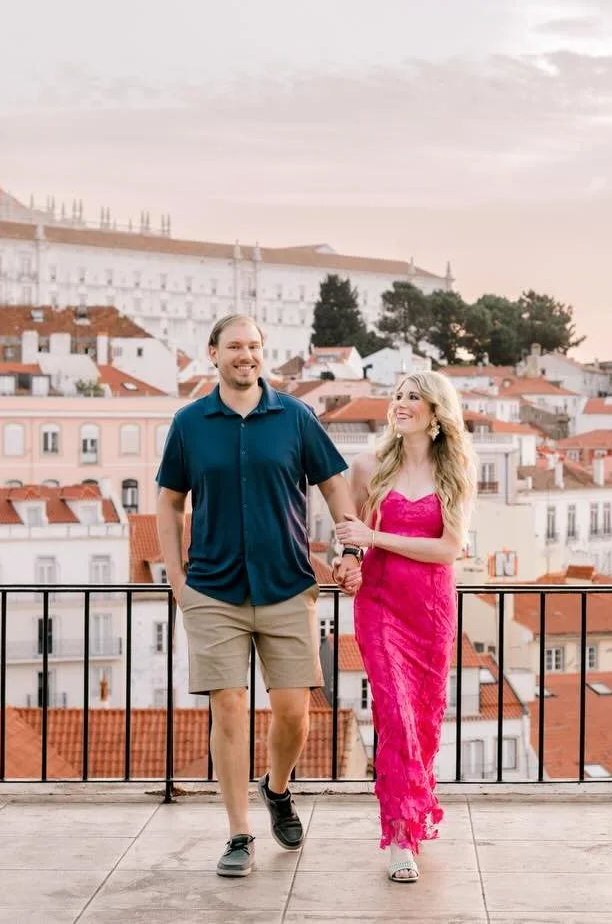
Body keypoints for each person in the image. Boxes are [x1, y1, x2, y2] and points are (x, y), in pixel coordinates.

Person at [156, 313, 363, 878]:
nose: (245, 355)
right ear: (213, 354)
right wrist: (177, 578)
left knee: (294, 713)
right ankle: (239, 833)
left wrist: (351, 550)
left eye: (254, 346)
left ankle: (277, 789)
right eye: (234, 347)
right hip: (214, 590)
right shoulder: (189, 422)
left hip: (287, 585)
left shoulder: (294, 417)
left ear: (262, 353)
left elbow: (336, 483)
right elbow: (169, 502)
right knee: (228, 708)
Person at [334, 370, 475, 883]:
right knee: (394, 716)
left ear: (436, 414)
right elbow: (351, 534)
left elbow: (447, 550)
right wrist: (351, 557)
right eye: (398, 395)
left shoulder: (454, 472)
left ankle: (412, 822)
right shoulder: (368, 465)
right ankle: (398, 838)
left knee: (422, 721)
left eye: (413, 397)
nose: (401, 403)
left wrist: (374, 537)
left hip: (431, 610)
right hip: (379, 604)